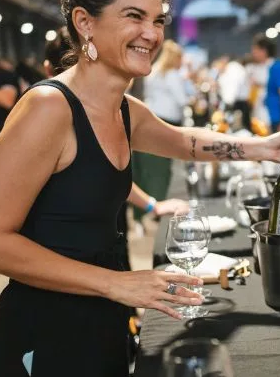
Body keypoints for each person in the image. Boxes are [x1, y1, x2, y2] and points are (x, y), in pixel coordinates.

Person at [0, 0, 280, 377]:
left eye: (158, 20)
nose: (151, 33)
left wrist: (263, 148)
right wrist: (115, 283)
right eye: (134, 16)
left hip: (102, 325)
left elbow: (185, 142)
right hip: (43, 342)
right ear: (85, 22)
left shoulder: (123, 109)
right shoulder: (49, 108)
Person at [43, 26, 188, 241]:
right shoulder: (46, 112)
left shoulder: (115, 109)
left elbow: (106, 176)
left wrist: (152, 205)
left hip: (108, 241)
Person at [132, 39, 194, 223]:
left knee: (147, 169)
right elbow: (182, 100)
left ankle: (143, 213)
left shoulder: (154, 72)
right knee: (161, 170)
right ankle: (159, 210)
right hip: (166, 122)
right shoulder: (172, 74)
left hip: (151, 120)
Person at [251, 33, 280, 132]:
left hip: (275, 117)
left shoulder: (276, 67)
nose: (253, 53)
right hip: (263, 116)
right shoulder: (261, 67)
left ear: (264, 51)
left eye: (255, 50)